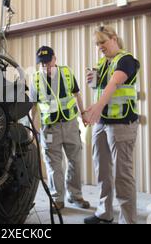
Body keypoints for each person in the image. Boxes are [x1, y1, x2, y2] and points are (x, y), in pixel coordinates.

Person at [83, 26, 140, 224]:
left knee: (122, 175)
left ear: (114, 38)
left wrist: (97, 107)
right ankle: (104, 212)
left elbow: (115, 84)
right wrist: (93, 83)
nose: (100, 47)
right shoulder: (103, 63)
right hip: (102, 123)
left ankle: (128, 220)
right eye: (97, 44)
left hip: (121, 124)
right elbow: (102, 89)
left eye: (102, 42)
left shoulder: (126, 60)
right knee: (103, 171)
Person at [30, 46, 90, 212]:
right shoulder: (35, 79)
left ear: (55, 59)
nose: (45, 67)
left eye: (48, 63)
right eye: (42, 64)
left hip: (70, 125)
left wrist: (83, 113)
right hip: (49, 129)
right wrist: (32, 129)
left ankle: (75, 195)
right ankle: (57, 199)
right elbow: (34, 106)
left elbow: (77, 94)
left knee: (75, 162)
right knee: (53, 165)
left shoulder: (67, 73)